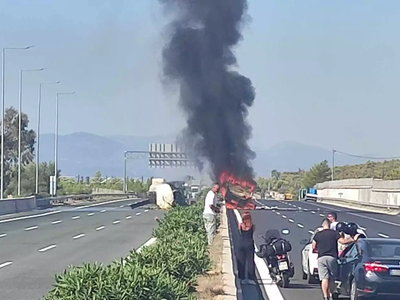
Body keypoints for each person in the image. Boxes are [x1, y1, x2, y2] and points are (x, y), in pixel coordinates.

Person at [313, 218, 353, 300]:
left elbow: (314, 246)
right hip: (332, 257)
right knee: (332, 278)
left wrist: (319, 249)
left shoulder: (317, 234)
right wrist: (353, 239)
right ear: (330, 225)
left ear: (322, 225)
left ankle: (325, 296)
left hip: (321, 258)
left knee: (324, 278)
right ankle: (331, 295)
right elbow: (343, 241)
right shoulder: (334, 233)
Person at [237, 212, 256, 285]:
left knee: (241, 261)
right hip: (249, 244)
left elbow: (240, 230)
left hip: (241, 243)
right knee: (250, 261)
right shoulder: (252, 225)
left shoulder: (241, 225)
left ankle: (241, 278)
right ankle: (251, 278)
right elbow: (253, 232)